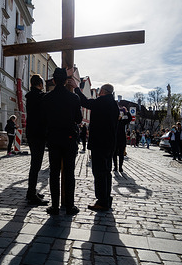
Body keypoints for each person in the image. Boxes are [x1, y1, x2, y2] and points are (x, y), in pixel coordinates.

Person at [69, 78, 119, 212]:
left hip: (100, 144)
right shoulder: (114, 105)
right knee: (106, 172)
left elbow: (85, 102)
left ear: (102, 91)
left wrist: (76, 88)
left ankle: (102, 201)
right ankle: (107, 199)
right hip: (110, 145)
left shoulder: (103, 102)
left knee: (99, 172)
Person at [42, 68, 82, 216]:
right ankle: (70, 206)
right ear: (66, 81)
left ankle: (54, 206)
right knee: (69, 173)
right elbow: (78, 119)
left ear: (53, 80)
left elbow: (44, 120)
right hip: (69, 139)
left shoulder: (46, 98)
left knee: (54, 173)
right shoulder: (74, 98)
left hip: (53, 138)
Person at [25, 74, 48, 206]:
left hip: (32, 132)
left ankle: (31, 191)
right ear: (40, 84)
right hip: (38, 133)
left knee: (35, 164)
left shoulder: (30, 96)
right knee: (36, 165)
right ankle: (31, 194)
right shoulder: (40, 96)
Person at [113, 107, 132, 172]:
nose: (119, 116)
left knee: (121, 154)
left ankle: (120, 167)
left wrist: (127, 112)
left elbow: (130, 119)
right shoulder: (113, 121)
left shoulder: (123, 122)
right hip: (115, 140)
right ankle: (115, 166)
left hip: (122, 140)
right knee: (114, 154)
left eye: (121, 115)